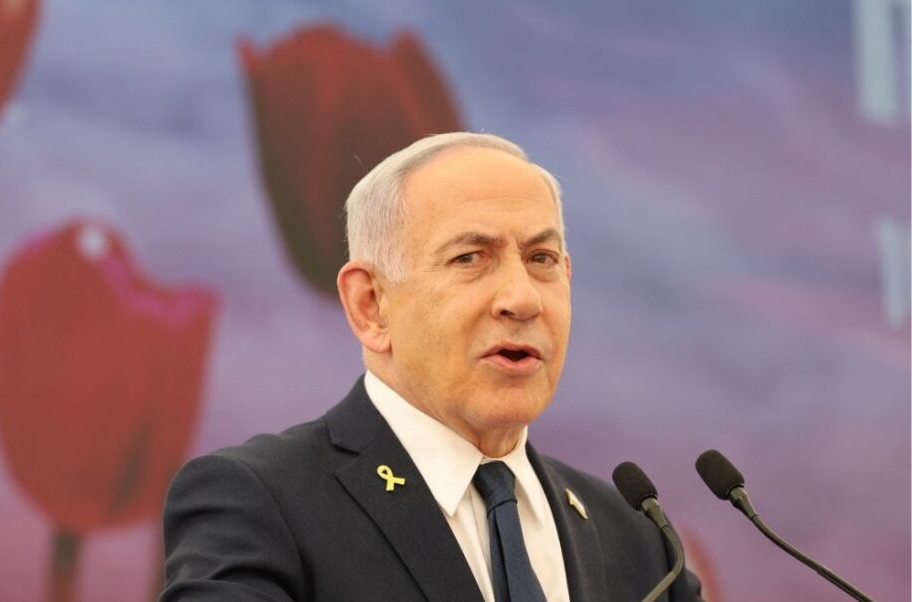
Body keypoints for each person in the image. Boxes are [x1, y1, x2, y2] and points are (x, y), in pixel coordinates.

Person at [160, 132, 702, 601]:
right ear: (370, 305)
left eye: (541, 259)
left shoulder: (639, 538)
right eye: (470, 258)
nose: (522, 298)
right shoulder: (261, 502)